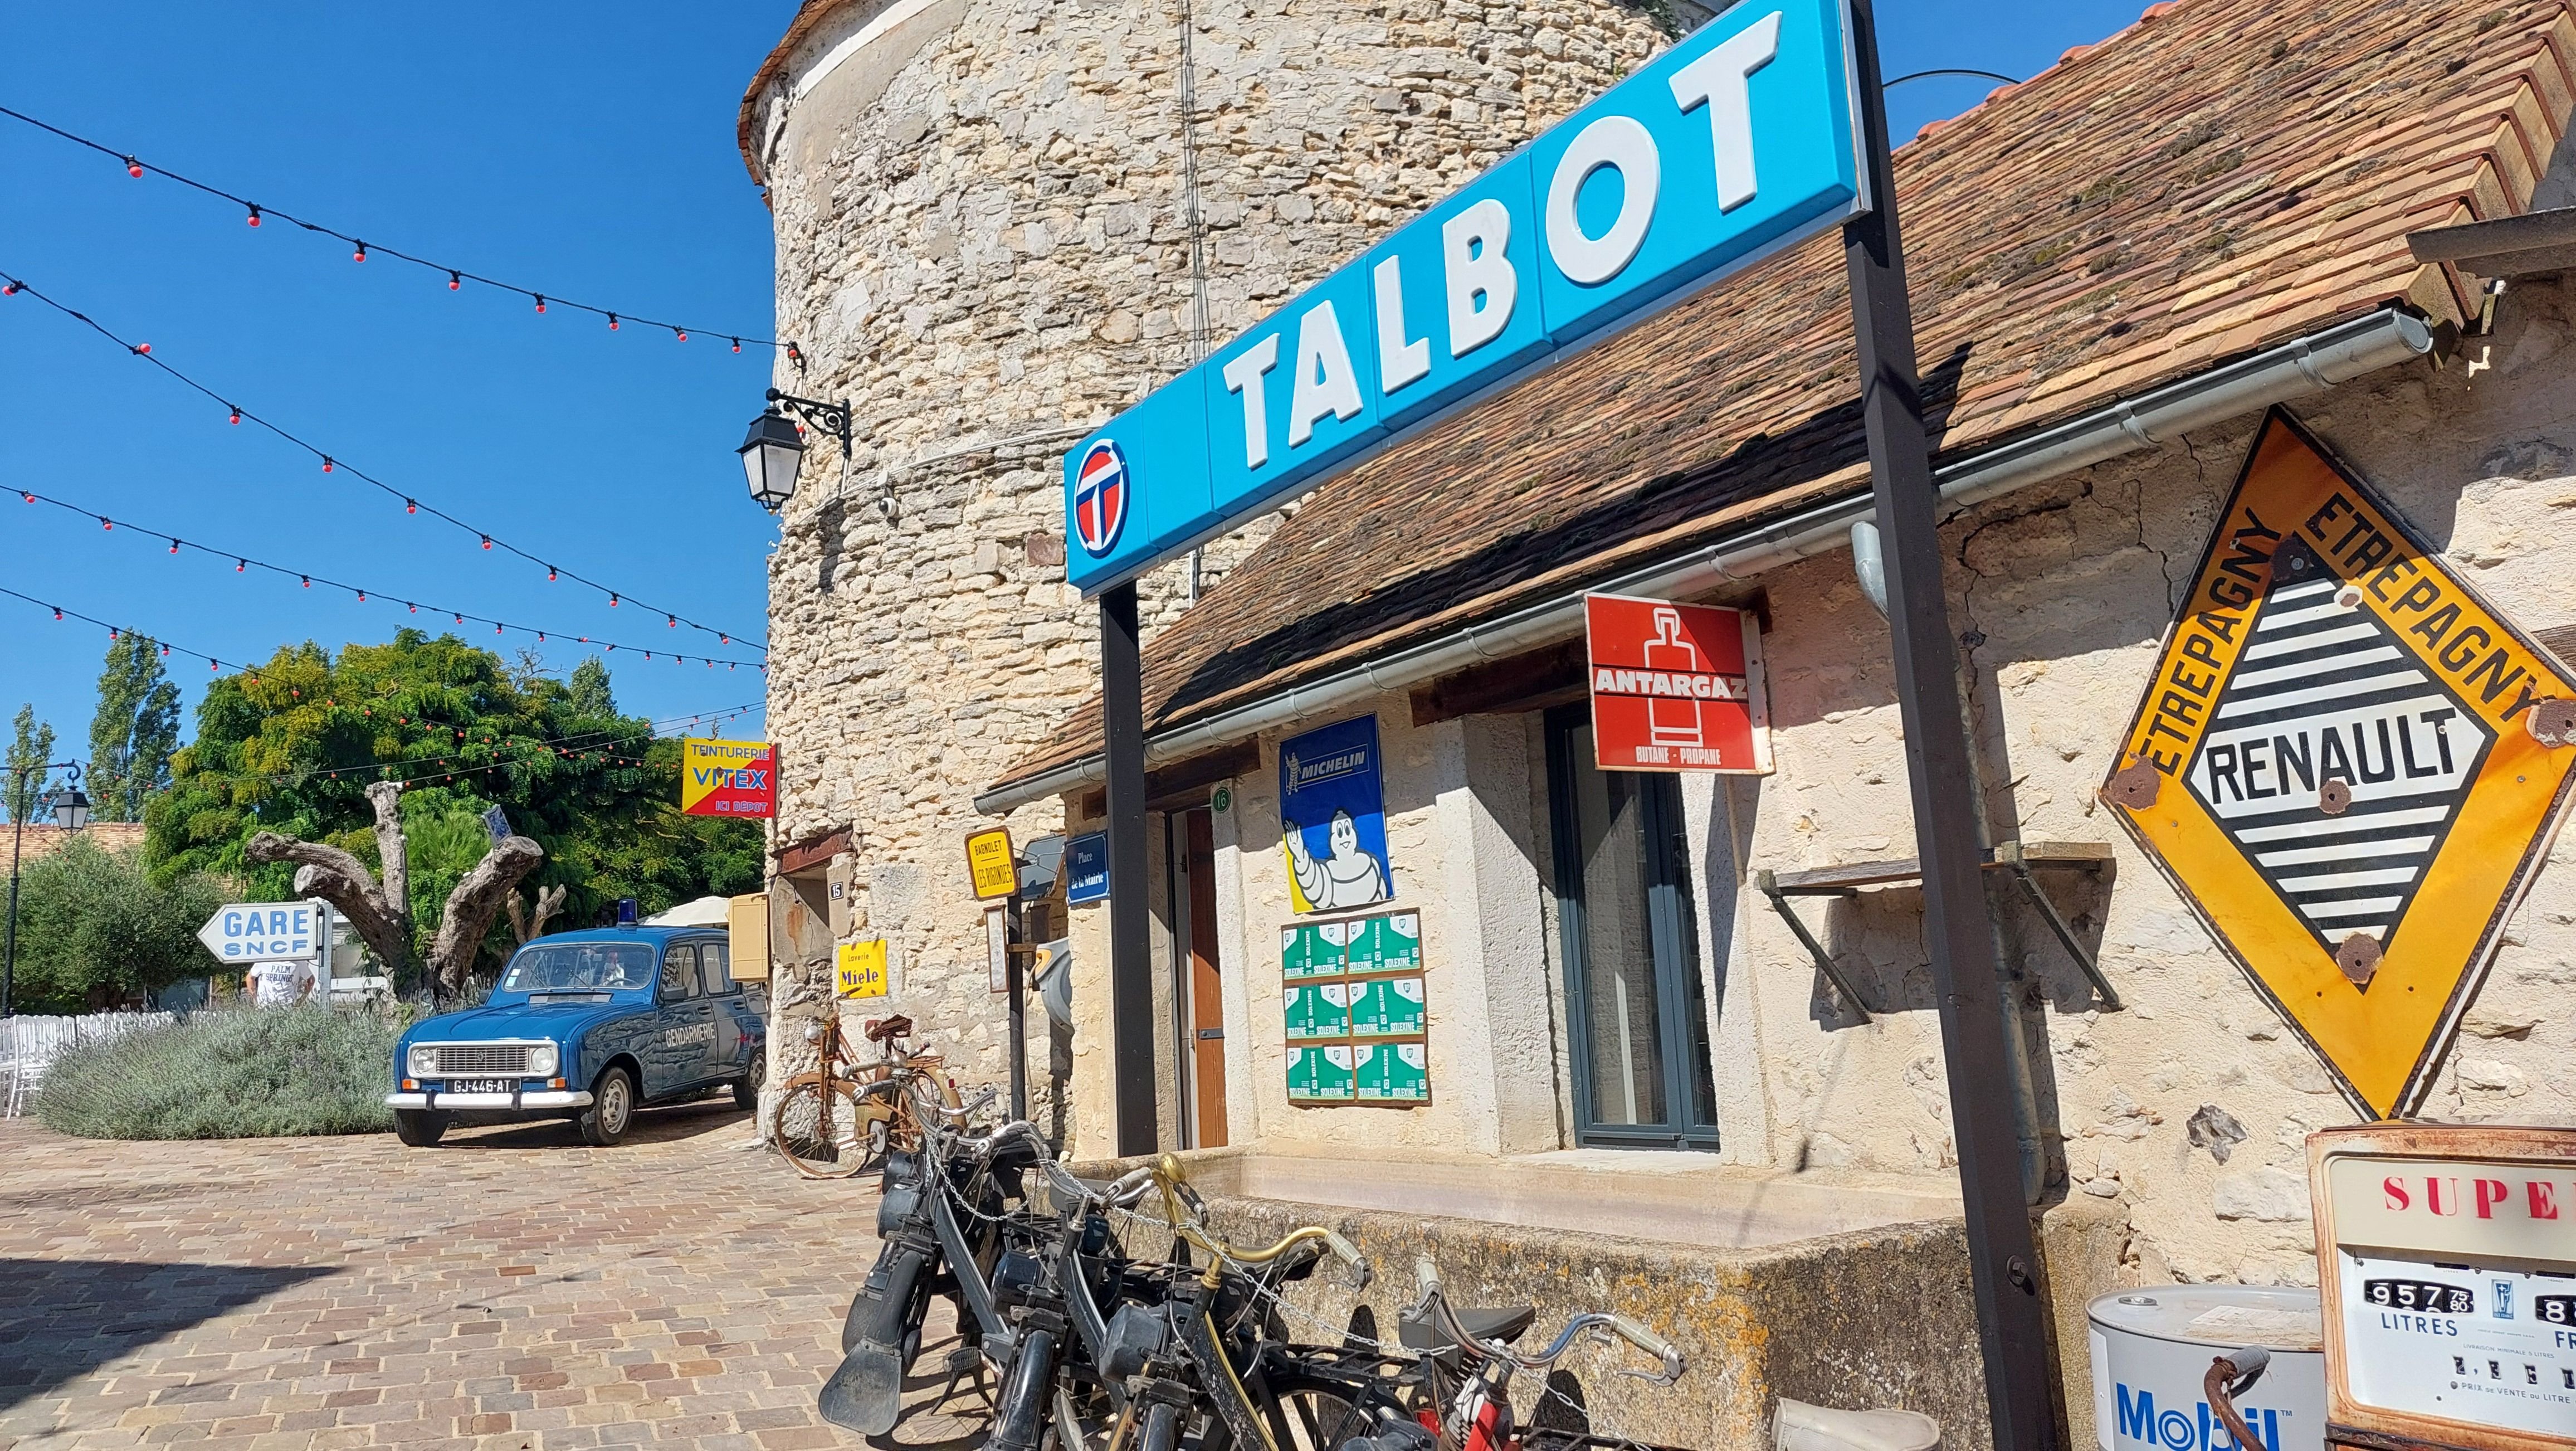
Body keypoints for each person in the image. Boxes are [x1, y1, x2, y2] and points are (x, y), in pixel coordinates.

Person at [1284, 807, 1392, 910]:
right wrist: (1300, 855)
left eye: (1348, 831)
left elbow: (1381, 890)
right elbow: (1313, 884)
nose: (1345, 837)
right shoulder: (1327, 872)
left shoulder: (1371, 863)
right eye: (1339, 832)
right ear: (1332, 839)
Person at [243, 958, 317, 1007]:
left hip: (288, 1008)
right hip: (265, 1007)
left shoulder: (298, 962)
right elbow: (250, 978)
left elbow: (311, 980)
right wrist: (255, 999)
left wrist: (301, 1000)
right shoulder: (264, 960)